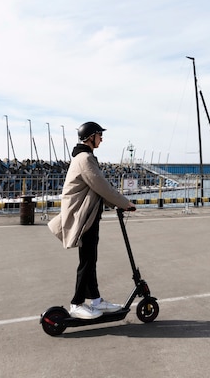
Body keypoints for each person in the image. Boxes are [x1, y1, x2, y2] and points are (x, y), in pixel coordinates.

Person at [48, 121, 136, 320]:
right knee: (86, 261)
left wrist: (118, 203)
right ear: (90, 137)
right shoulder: (84, 159)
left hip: (88, 215)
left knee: (90, 259)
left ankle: (95, 300)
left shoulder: (86, 157)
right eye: (99, 135)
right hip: (82, 216)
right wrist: (124, 203)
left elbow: (98, 189)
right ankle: (77, 303)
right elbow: (102, 186)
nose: (101, 139)